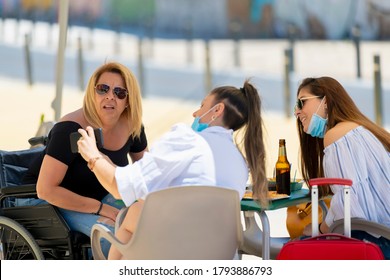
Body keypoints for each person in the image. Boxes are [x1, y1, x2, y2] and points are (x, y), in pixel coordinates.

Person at [77, 79, 269, 259]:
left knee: (133, 213)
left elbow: (121, 188)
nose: (195, 113)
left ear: (217, 110)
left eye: (202, 106)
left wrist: (92, 156)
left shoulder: (187, 139)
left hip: (170, 252)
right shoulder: (239, 162)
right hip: (213, 255)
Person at [21, 62, 148, 257]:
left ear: (128, 100)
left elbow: (146, 176)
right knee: (114, 239)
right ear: (92, 92)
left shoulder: (133, 127)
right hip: (49, 203)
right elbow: (45, 189)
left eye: (119, 92)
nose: (110, 96)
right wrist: (102, 209)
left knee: (147, 226)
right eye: (103, 89)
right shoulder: (70, 128)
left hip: (99, 198)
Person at [294, 76, 390, 258]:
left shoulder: (336, 136)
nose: (297, 112)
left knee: (294, 249)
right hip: (382, 237)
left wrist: (319, 230)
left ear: (326, 102)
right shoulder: (358, 129)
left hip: (376, 243)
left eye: (302, 102)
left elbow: (347, 204)